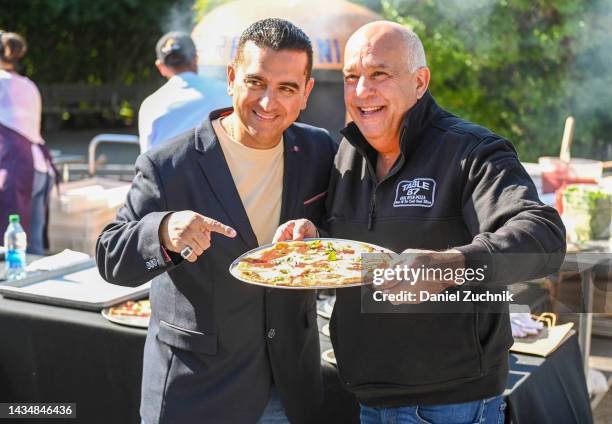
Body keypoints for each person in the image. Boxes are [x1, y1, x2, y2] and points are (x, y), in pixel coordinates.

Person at [275, 21, 566, 424]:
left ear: (419, 81)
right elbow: (358, 252)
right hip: (366, 394)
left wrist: (451, 264)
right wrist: (316, 242)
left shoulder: (473, 151)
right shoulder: (347, 154)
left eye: (379, 75)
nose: (362, 92)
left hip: (451, 405)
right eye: (352, 78)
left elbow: (543, 237)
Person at [97, 18, 336, 424]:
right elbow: (111, 256)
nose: (267, 102)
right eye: (256, 82)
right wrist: (163, 232)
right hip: (197, 393)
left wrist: (317, 236)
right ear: (231, 78)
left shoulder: (319, 150)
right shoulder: (168, 164)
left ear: (306, 93)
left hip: (291, 387)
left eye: (286, 88)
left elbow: (340, 232)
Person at [0, 30, 55, 254]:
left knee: (9, 248)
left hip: (14, 172)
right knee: (34, 248)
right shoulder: (29, 85)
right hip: (40, 168)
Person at [138, 31, 230, 153]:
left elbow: (146, 158)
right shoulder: (228, 91)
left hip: (165, 171)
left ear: (161, 67)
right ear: (195, 58)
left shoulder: (150, 104)